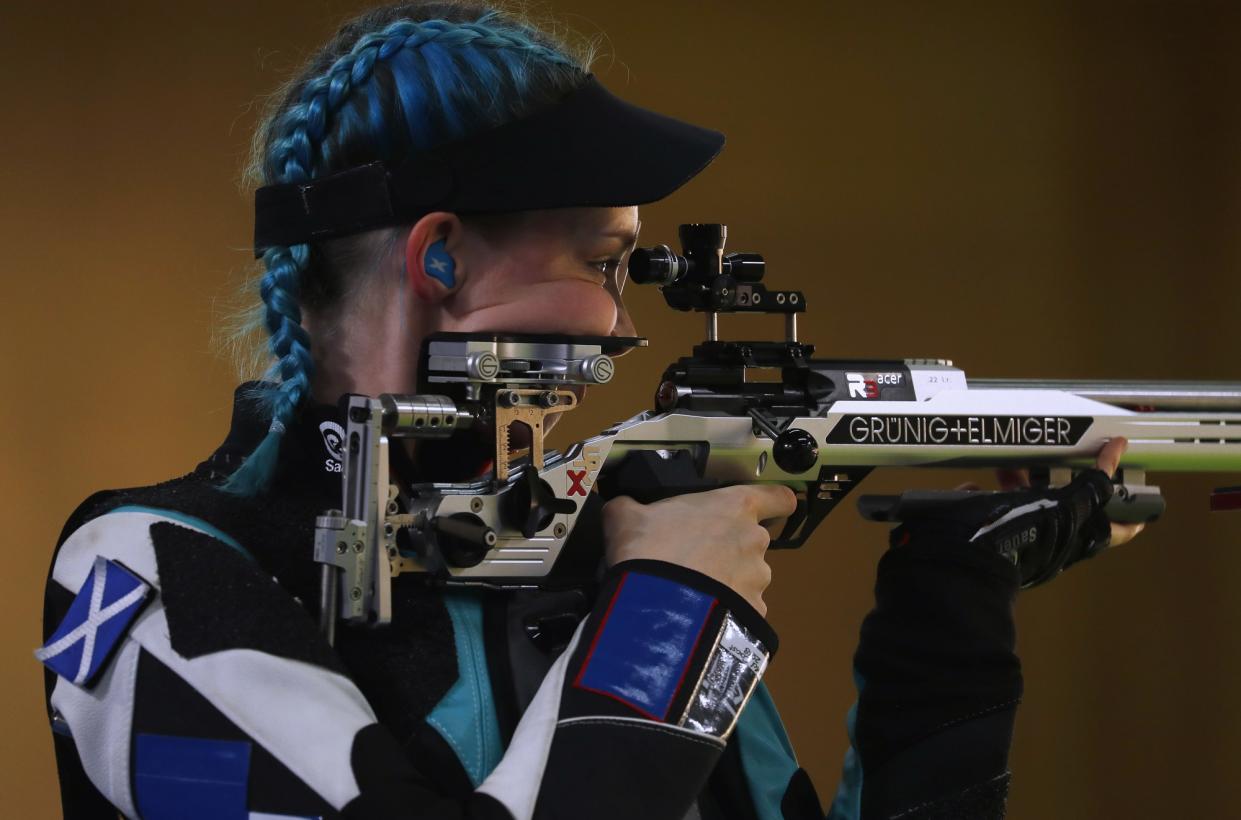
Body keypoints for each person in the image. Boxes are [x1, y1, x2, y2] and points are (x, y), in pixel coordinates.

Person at [37, 4, 1142, 819]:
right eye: (602, 261)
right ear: (439, 255)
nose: (619, 325)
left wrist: (944, 614)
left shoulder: (596, 572)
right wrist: (668, 613)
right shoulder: (141, 575)